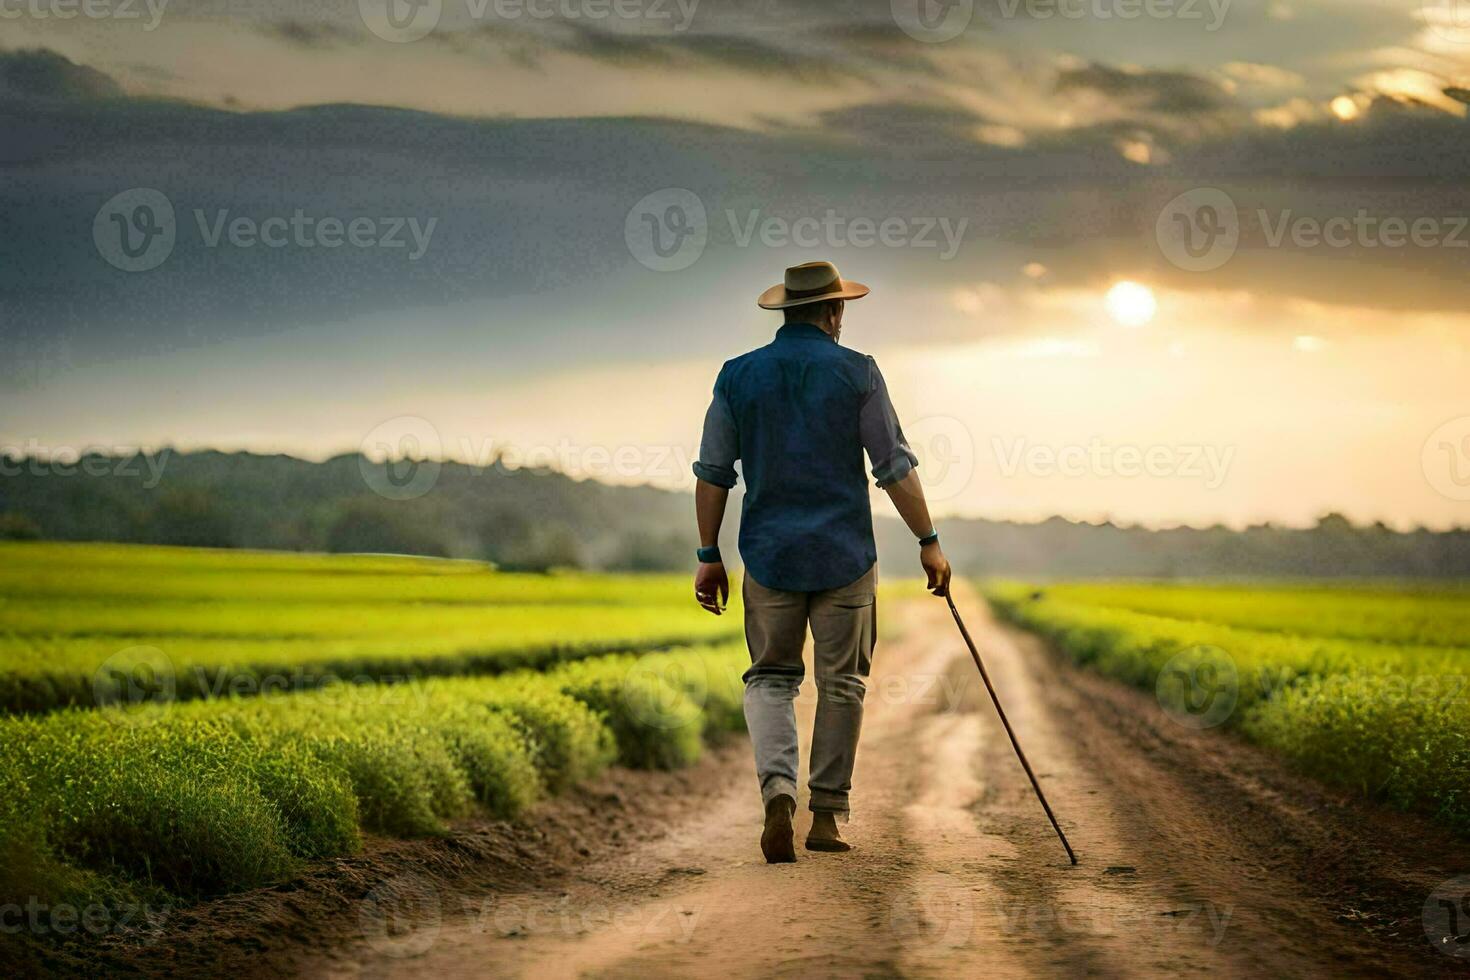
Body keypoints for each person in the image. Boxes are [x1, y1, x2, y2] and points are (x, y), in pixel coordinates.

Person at [690, 260, 952, 864]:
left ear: (785, 310)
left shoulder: (737, 376)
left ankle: (778, 792)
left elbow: (712, 475)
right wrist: (928, 540)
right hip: (845, 556)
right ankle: (827, 816)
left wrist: (709, 555)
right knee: (843, 684)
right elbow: (893, 468)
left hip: (769, 554)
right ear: (834, 312)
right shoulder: (857, 372)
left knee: (771, 680)